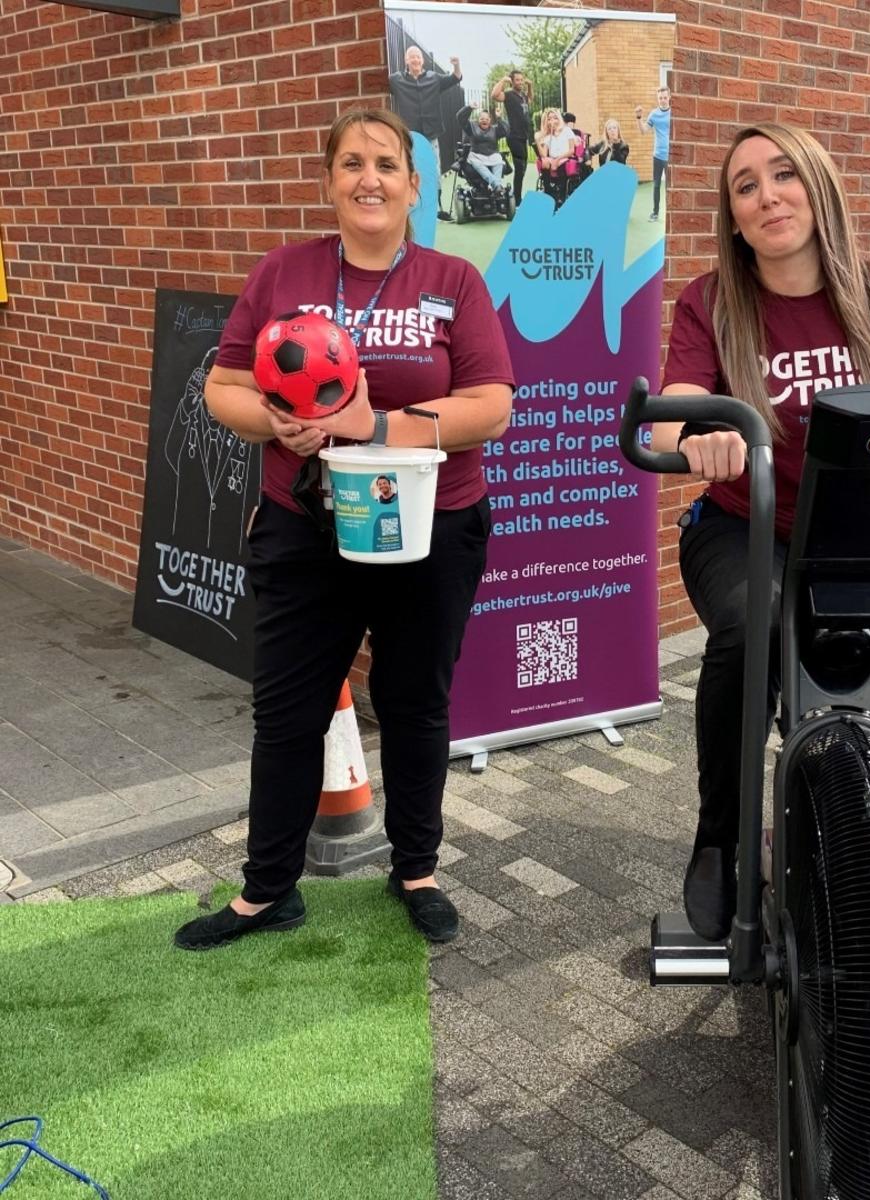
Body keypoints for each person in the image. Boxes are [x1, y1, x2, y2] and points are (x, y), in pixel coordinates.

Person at [174, 108, 514, 951]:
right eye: (352, 163)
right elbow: (222, 386)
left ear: (412, 185)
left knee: (415, 706)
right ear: (328, 181)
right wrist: (274, 422)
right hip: (305, 530)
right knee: (286, 715)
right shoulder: (282, 273)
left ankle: (417, 871)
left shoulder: (453, 280)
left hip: (431, 532)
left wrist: (372, 427)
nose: (370, 179)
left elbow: (491, 407)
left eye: (387, 165)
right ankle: (266, 892)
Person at [652, 122, 870, 942]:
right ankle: (720, 838)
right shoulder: (713, 300)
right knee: (751, 627)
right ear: (732, 215)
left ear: (818, 185)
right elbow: (666, 424)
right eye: (745, 186)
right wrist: (700, 438)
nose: (767, 197)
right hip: (743, 527)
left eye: (783, 175)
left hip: (862, 535)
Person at [388, 45, 462, 218]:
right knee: (409, 169)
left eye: (418, 57)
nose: (415, 60)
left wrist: (456, 64)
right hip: (409, 135)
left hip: (431, 133)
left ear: (422, 60)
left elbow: (456, 78)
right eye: (412, 57)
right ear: (406, 60)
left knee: (433, 171)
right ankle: (410, 206)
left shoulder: (434, 78)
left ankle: (435, 207)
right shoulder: (396, 80)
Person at [491, 70, 533, 206]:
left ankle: (516, 195)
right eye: (517, 80)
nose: (520, 82)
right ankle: (517, 199)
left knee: (523, 167)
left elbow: (530, 99)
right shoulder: (509, 95)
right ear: (512, 81)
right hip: (513, 136)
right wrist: (503, 80)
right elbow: (494, 95)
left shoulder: (522, 96)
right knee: (520, 167)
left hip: (523, 136)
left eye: (522, 80)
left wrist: (530, 86)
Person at [634, 86, 670, 221]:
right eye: (660, 98)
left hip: (671, 157)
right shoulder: (654, 114)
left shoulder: (674, 113)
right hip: (658, 156)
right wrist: (638, 117)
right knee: (656, 185)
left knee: (670, 187)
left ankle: (670, 214)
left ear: (669, 97)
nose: (663, 100)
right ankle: (655, 213)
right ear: (658, 99)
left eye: (665, 97)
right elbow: (643, 131)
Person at [456, 104, 509, 194]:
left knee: (499, 161)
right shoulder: (471, 127)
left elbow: (505, 130)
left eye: (487, 119)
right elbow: (460, 117)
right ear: (478, 120)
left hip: (492, 155)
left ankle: (496, 188)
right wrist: (469, 108)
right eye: (482, 119)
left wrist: (499, 118)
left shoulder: (495, 130)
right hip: (477, 156)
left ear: (490, 121)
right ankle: (496, 185)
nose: (484, 120)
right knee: (476, 163)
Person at [534, 108, 576, 209]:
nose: (552, 121)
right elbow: (544, 154)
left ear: (559, 119)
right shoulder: (549, 136)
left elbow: (571, 150)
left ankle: (561, 196)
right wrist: (537, 141)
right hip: (553, 158)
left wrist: (557, 160)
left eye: (555, 118)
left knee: (561, 165)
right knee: (544, 161)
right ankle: (548, 191)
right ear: (547, 122)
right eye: (549, 119)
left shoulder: (567, 131)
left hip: (565, 157)